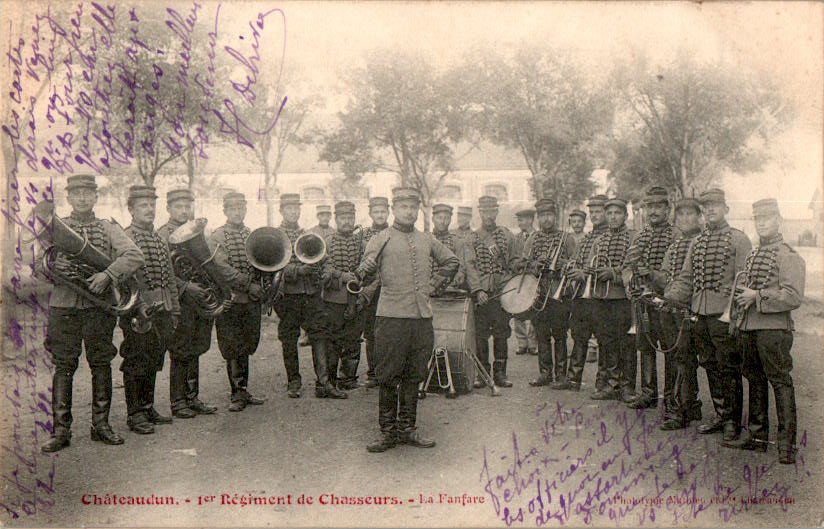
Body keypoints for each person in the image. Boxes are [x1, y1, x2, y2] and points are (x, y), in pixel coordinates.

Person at [40, 174, 145, 453]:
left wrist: (108, 274)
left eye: (88, 193)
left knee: (100, 363)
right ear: (69, 198)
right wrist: (55, 267)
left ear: (96, 197)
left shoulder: (107, 227)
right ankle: (61, 430)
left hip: (98, 308)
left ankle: (101, 425)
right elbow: (37, 265)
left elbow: (134, 255)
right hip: (63, 306)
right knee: (64, 366)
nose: (83, 198)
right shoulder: (56, 228)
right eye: (77, 194)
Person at [354, 187, 459, 452]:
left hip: (421, 318)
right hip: (390, 317)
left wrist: (433, 285)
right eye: (403, 207)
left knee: (414, 375)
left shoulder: (427, 239)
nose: (409, 212)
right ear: (394, 210)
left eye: (413, 207)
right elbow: (363, 272)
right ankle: (388, 432)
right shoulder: (381, 238)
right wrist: (365, 270)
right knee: (388, 375)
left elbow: (451, 261)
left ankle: (408, 428)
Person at [721, 198, 804, 464]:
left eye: (767, 217)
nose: (762, 223)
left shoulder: (788, 255)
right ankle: (757, 437)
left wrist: (757, 296)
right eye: (758, 218)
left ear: (779, 219)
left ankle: (787, 445)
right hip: (749, 327)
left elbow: (792, 297)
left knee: (780, 382)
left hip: (773, 329)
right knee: (754, 379)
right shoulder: (754, 254)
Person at [668, 188, 752, 442]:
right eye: (706, 206)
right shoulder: (698, 242)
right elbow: (686, 279)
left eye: (716, 205)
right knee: (710, 365)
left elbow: (744, 277)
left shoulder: (739, 240)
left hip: (723, 315)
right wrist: (669, 296)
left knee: (728, 367)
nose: (711, 210)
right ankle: (720, 414)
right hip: (699, 313)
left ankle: (732, 422)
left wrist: (735, 313)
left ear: (726, 208)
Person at [119, 185, 180, 435]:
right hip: (137, 309)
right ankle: (135, 414)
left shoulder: (158, 238)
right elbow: (124, 279)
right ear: (131, 209)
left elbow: (170, 278)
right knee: (136, 359)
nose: (149, 209)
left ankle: (147, 406)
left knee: (154, 358)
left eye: (151, 205)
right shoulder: (125, 237)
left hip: (163, 308)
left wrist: (174, 307)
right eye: (143, 205)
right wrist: (138, 306)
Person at [157, 188, 218, 419]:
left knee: (197, 347)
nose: (183, 211)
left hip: (200, 298)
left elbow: (205, 262)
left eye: (186, 206)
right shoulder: (162, 234)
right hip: (180, 300)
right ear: (169, 209)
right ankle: (178, 401)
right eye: (178, 207)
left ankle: (192, 397)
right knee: (181, 349)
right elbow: (162, 272)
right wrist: (185, 287)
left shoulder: (196, 229)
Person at [209, 192, 270, 410]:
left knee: (247, 342)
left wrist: (262, 285)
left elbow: (262, 262)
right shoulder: (217, 236)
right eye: (232, 209)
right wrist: (248, 284)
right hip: (231, 299)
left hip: (251, 300)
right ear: (225, 211)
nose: (237, 212)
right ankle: (237, 393)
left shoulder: (251, 235)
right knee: (232, 344)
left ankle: (243, 389)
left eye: (241, 208)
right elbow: (222, 269)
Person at [621, 187, 677, 409]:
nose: (653, 211)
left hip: (666, 301)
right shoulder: (640, 235)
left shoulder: (676, 235)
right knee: (645, 347)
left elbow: (678, 271)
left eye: (657, 207)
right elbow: (627, 265)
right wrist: (629, 284)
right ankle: (648, 393)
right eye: (649, 207)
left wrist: (653, 276)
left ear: (667, 209)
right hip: (643, 302)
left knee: (670, 349)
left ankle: (672, 397)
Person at [512, 199, 576, 389]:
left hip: (559, 292)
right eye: (542, 216)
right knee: (541, 335)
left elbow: (575, 263)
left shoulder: (567, 238)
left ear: (555, 216)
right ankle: (545, 373)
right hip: (538, 293)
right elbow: (521, 263)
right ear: (538, 218)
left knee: (560, 335)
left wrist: (561, 263)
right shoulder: (532, 239)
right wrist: (534, 265)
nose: (546, 219)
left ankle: (561, 375)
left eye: (549, 215)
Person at [273, 193, 332, 398]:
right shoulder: (275, 236)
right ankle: (294, 381)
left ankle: (323, 382)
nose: (293, 212)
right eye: (289, 208)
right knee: (289, 338)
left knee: (319, 333)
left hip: (310, 293)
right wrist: (297, 271)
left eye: (296, 208)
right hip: (288, 295)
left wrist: (321, 268)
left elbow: (323, 258)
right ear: (281, 210)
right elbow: (273, 265)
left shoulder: (307, 233)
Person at [655, 197, 703, 430]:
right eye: (680, 215)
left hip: (692, 309)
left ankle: (683, 409)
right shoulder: (673, 248)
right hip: (672, 308)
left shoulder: (702, 242)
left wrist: (671, 295)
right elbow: (665, 276)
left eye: (689, 214)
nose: (684, 219)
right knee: (677, 357)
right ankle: (687, 406)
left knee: (687, 359)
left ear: (699, 217)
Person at [589, 198, 637, 402]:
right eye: (609, 213)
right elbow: (590, 264)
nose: (613, 217)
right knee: (607, 341)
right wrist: (595, 271)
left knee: (625, 342)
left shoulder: (633, 237)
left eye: (617, 213)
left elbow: (633, 263)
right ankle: (612, 383)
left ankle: (627, 386)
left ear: (625, 216)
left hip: (622, 298)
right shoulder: (599, 240)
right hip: (602, 296)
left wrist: (614, 273)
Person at [470, 196, 517, 388]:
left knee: (501, 333)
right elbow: (470, 266)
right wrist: (477, 289)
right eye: (484, 211)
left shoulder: (507, 235)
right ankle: (483, 374)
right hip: (482, 295)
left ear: (496, 212)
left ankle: (500, 374)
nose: (488, 215)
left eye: (491, 211)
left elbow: (514, 261)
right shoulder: (472, 238)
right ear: (479, 212)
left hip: (502, 292)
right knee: (480, 335)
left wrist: (509, 283)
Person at [564, 195, 609, 392]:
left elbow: (607, 266)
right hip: (583, 294)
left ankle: (602, 382)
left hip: (601, 296)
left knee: (603, 338)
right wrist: (570, 267)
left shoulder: (610, 236)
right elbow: (576, 259)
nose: (594, 215)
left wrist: (584, 273)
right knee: (579, 335)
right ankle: (573, 379)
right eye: (592, 212)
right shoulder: (588, 237)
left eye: (598, 211)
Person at [321, 200, 366, 393]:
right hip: (334, 299)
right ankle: (330, 378)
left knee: (354, 339)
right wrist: (341, 276)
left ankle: (349, 378)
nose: (347, 221)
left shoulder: (362, 243)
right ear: (336, 219)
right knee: (333, 340)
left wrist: (361, 278)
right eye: (343, 218)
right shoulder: (327, 242)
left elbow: (370, 268)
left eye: (350, 217)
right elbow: (323, 270)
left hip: (357, 298)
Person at [360, 196, 391, 388]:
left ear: (388, 212)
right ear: (370, 213)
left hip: (391, 289)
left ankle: (389, 371)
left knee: (391, 332)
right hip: (371, 291)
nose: (380, 215)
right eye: (376, 212)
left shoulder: (394, 233)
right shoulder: (363, 236)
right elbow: (359, 262)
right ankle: (373, 373)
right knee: (371, 333)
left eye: (383, 212)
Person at [430, 203, 483, 295]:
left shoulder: (457, 242)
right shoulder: (424, 240)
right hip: (426, 291)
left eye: (446, 218)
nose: (442, 221)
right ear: (433, 219)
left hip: (449, 291)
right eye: (439, 218)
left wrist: (454, 283)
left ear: (450, 220)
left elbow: (461, 268)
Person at [511, 208, 539, 356]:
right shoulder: (516, 238)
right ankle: (522, 342)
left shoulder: (538, 237)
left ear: (530, 220)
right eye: (519, 220)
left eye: (522, 220)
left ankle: (533, 343)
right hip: (519, 277)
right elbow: (513, 258)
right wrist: (518, 265)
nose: (520, 223)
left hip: (533, 278)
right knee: (518, 310)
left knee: (534, 310)